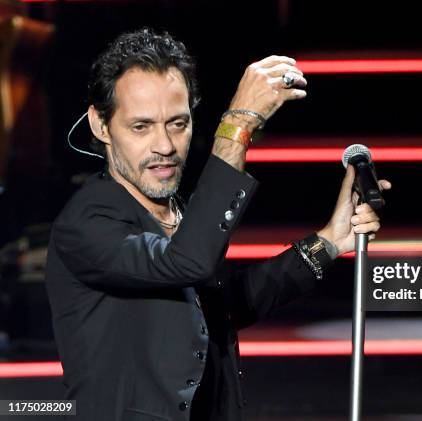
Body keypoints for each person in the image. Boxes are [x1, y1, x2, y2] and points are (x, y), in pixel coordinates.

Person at [44, 28, 391, 421]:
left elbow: (217, 309)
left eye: (177, 123)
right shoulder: (87, 222)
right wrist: (238, 123)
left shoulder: (177, 210)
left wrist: (328, 241)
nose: (164, 146)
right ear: (100, 125)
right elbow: (187, 262)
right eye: (141, 127)